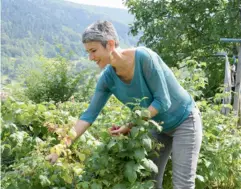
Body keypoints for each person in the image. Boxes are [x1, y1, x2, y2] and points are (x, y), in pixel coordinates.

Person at [46, 20, 203, 189]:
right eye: (88, 52)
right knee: (148, 182)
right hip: (157, 125)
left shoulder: (144, 58)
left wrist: (129, 125)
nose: (90, 57)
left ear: (110, 44)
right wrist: (60, 147)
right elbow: (88, 116)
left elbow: (163, 102)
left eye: (93, 51)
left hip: (184, 120)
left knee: (182, 184)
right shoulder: (107, 79)